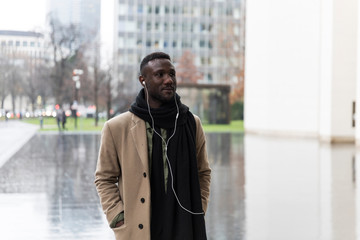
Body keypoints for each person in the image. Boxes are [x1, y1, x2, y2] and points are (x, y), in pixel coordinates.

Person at [95, 52, 211, 240]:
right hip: (139, 228)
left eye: (171, 74)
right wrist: (117, 216)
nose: (168, 80)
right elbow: (104, 178)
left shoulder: (191, 123)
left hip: (184, 225)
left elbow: (203, 172)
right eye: (160, 74)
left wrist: (199, 207)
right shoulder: (116, 128)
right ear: (143, 80)